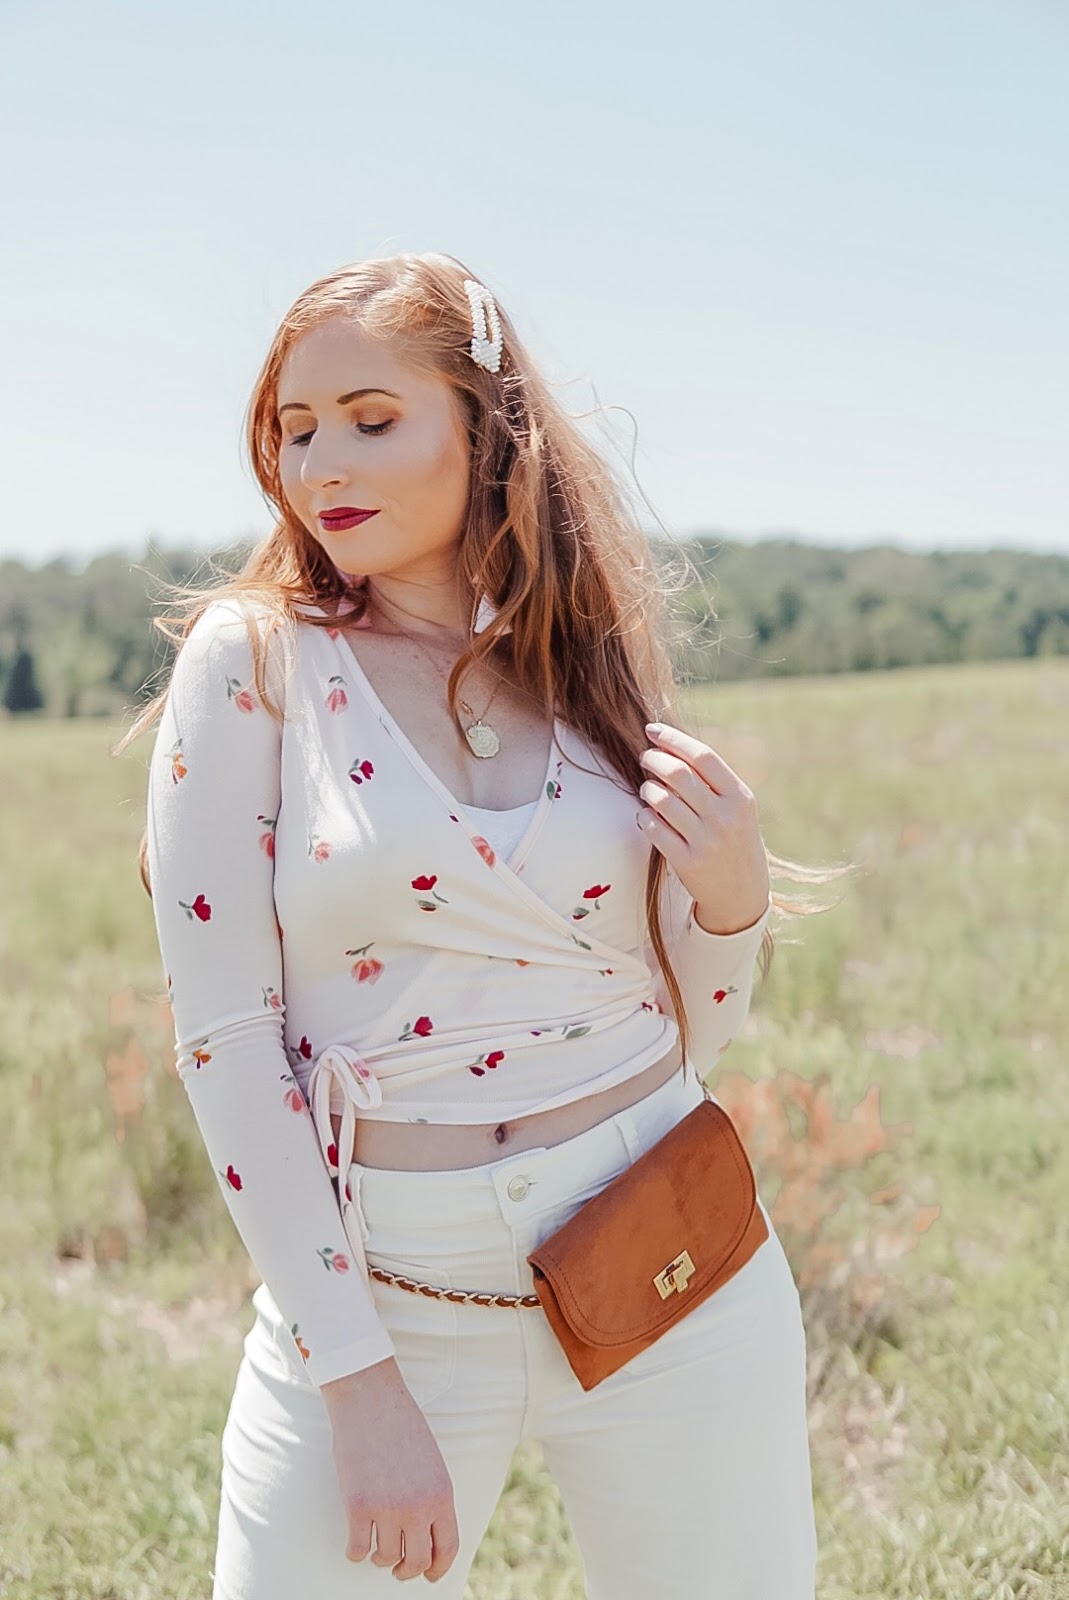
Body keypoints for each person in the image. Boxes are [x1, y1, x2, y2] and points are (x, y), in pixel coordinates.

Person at [126, 251, 821, 1597]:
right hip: (386, 1291)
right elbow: (225, 1037)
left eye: (372, 420)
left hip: (662, 1258)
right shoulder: (255, 661)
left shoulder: (583, 658)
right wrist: (356, 1377)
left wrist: (729, 905)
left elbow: (689, 1036)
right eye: (296, 428)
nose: (325, 460)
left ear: (482, 427)